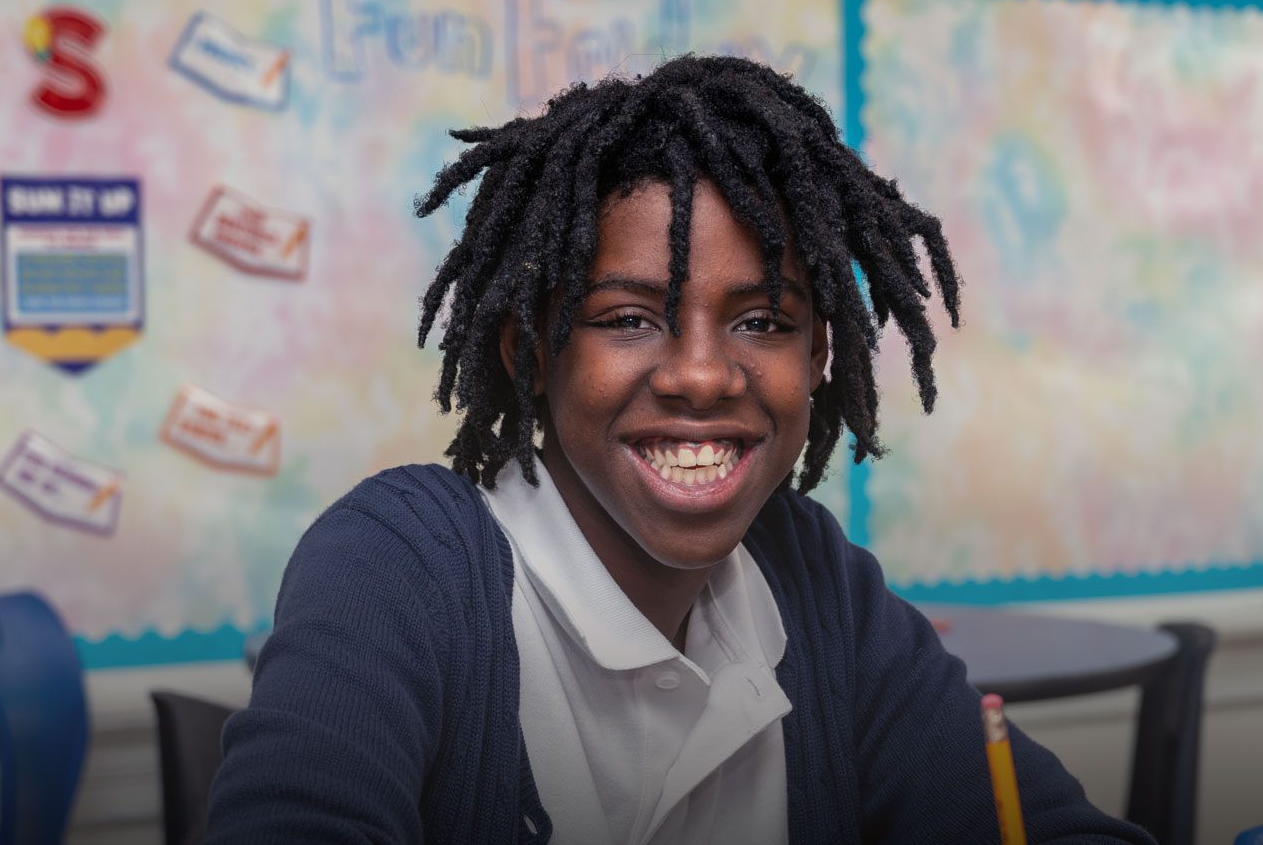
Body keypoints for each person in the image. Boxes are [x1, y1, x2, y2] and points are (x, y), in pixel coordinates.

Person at [206, 55, 1153, 845]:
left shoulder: (812, 582)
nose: (703, 376)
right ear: (529, 349)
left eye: (762, 321)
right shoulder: (401, 569)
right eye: (627, 318)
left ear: (819, 352)